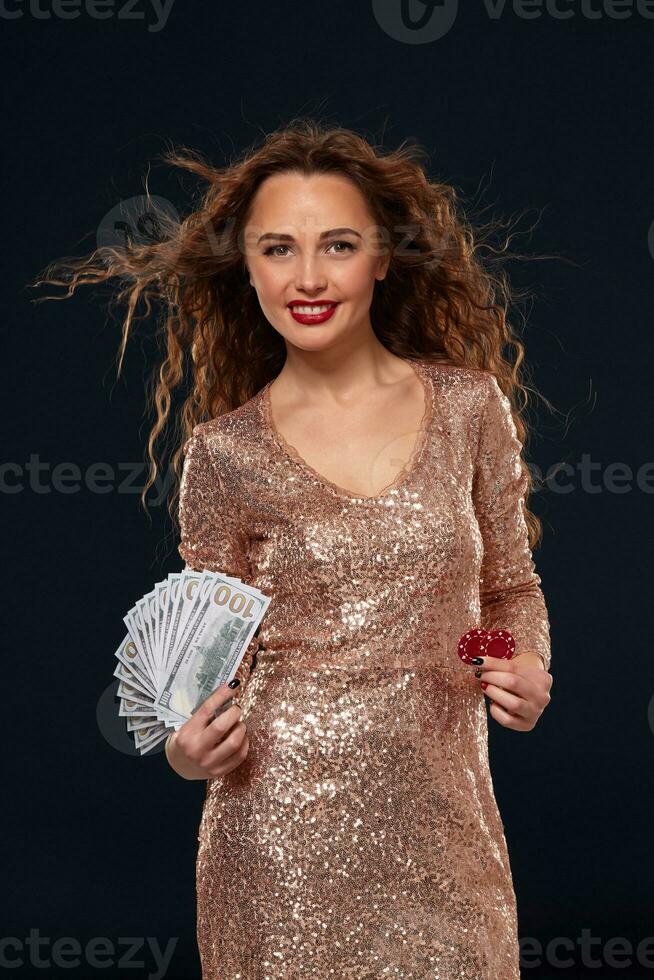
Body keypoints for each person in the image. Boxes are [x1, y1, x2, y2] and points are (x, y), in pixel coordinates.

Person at [33, 118, 553, 978]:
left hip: (448, 833)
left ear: (382, 258)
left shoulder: (469, 411)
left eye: (337, 245)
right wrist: (181, 747)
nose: (307, 277)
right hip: (276, 845)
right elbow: (203, 663)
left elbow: (502, 592)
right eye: (278, 248)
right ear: (248, 266)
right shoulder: (225, 454)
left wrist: (516, 664)